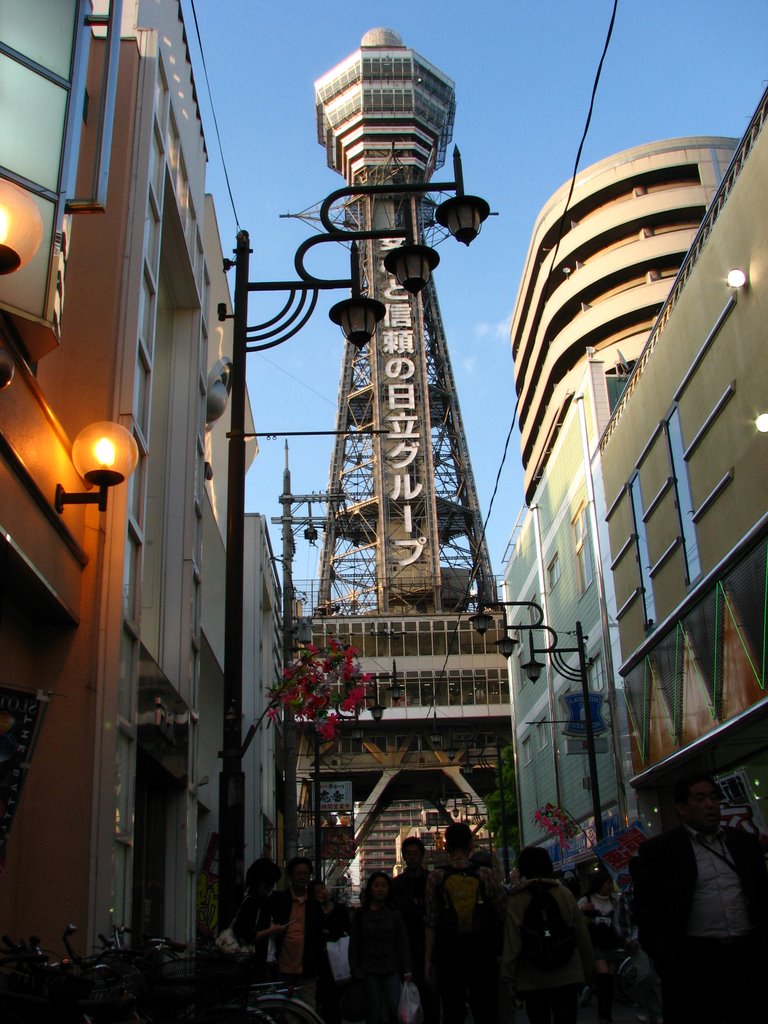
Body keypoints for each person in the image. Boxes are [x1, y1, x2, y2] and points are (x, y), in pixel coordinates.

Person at [633, 772, 768, 1023]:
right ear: (682, 808)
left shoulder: (744, 844)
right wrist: (669, 962)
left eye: (713, 797)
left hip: (746, 954)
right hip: (694, 960)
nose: (709, 804)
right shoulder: (660, 851)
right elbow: (646, 911)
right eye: (700, 798)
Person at [424, 822, 507, 1024]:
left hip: (449, 952)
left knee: (452, 1009)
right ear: (471, 845)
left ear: (446, 846)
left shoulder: (436, 876)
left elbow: (431, 921)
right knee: (485, 1008)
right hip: (482, 950)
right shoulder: (485, 874)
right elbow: (501, 912)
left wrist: (427, 960)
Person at [501, 846, 593, 1024]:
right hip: (567, 972)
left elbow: (513, 943)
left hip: (532, 978)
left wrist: (508, 978)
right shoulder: (564, 894)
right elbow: (581, 934)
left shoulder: (517, 899)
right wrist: (588, 968)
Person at [348, 871, 412, 1024]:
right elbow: (354, 943)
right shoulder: (361, 915)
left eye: (384, 886)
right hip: (369, 968)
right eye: (376, 885)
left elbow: (402, 942)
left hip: (391, 966)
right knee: (373, 1009)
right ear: (370, 889)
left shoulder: (394, 914)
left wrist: (407, 968)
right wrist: (355, 967)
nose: (380, 889)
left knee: (394, 1005)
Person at [391, 837, 436, 1024]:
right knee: (414, 990)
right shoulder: (398, 884)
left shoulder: (431, 880)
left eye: (415, 853)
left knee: (430, 994)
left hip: (428, 943)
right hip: (407, 942)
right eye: (408, 854)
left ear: (421, 855)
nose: (412, 857)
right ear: (403, 857)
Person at [270, 856, 324, 1009]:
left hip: (307, 968)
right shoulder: (279, 900)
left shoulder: (314, 904)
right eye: (298, 873)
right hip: (281, 966)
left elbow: (319, 935)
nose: (302, 877)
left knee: (307, 1010)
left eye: (306, 874)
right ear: (290, 875)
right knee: (282, 1010)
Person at [228, 858, 287, 981]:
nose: (271, 888)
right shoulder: (252, 903)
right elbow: (247, 935)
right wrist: (272, 930)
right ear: (262, 883)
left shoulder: (260, 902)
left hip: (261, 962)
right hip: (254, 965)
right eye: (270, 884)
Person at [578, 867, 621, 1024]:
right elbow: (575, 915)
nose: (608, 886)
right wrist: (583, 910)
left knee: (608, 982)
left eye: (610, 883)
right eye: (605, 883)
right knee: (603, 977)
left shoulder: (613, 900)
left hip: (610, 943)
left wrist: (622, 938)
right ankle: (603, 1016)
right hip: (595, 944)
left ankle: (606, 1015)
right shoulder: (587, 900)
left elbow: (616, 922)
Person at [308, 880, 351, 1024]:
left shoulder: (340, 909)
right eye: (317, 892)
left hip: (338, 957)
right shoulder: (312, 911)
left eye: (323, 888)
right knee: (324, 996)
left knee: (339, 994)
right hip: (321, 960)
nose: (322, 892)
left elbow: (347, 930)